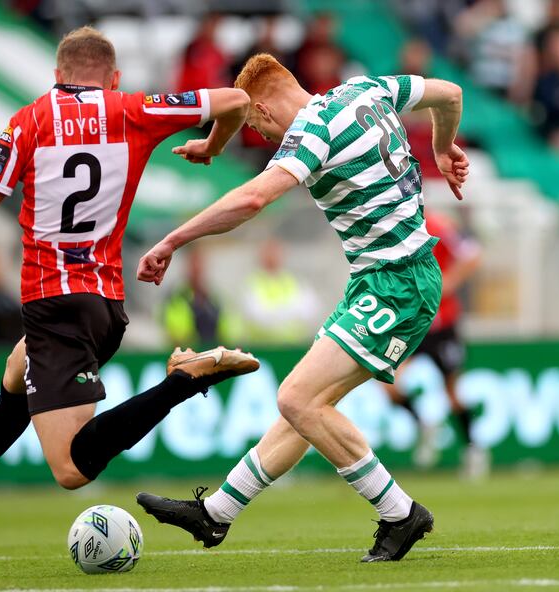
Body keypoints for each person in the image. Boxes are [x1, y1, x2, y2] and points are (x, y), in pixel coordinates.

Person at [0, 26, 260, 499]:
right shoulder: (135, 109)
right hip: (106, 307)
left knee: (70, 469)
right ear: (114, 78)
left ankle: (183, 382)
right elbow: (236, 101)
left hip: (53, 302)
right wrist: (213, 145)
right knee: (15, 371)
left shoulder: (28, 122)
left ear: (56, 74)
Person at [136, 53, 469, 562]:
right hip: (383, 281)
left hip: (396, 284)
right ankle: (217, 514)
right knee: (302, 409)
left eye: (258, 129)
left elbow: (251, 201)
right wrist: (443, 148)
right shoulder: (366, 88)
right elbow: (450, 93)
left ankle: (400, 513)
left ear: (264, 109)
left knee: (297, 399)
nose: (267, 140)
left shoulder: (310, 132)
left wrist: (173, 240)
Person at [382, 210, 485, 477]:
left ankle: (473, 449)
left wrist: (448, 282)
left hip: (442, 325)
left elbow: (472, 254)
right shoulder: (390, 226)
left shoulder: (436, 225)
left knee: (451, 393)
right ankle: (423, 426)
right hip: (411, 324)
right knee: (387, 382)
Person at [241, 238, 318, 345]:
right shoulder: (253, 283)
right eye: (268, 253)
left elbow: (309, 311)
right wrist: (289, 311)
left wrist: (276, 312)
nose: (273, 257)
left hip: (293, 347)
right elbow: (257, 316)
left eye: (275, 252)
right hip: (263, 348)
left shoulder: (293, 280)